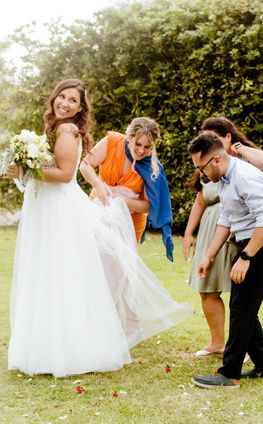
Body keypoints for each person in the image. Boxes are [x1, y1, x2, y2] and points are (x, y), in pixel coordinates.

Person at [4, 79, 192, 378]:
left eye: (73, 100)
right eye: (62, 96)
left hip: (70, 210)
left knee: (79, 271)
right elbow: (78, 169)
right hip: (55, 206)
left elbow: (65, 175)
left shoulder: (67, 130)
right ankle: (52, 342)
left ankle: (99, 335)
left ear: (80, 108)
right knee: (60, 271)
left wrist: (28, 169)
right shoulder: (68, 131)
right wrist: (22, 170)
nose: (65, 103)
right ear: (53, 97)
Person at [187, 132, 263, 389]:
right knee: (244, 304)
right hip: (253, 243)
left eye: (202, 168)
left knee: (242, 306)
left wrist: (246, 257)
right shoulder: (224, 178)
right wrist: (208, 256)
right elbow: (227, 220)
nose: (201, 175)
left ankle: (229, 374)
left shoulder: (245, 177)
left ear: (217, 160)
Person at [183, 117, 263, 359]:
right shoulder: (207, 168)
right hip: (213, 230)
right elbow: (200, 201)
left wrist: (237, 149)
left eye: (214, 137)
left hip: (236, 232)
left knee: (241, 296)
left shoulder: (239, 165)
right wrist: (189, 232)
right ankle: (218, 342)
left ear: (228, 137)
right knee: (207, 287)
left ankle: (241, 347)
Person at [81, 117, 174, 261]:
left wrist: (122, 200)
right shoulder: (112, 142)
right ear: (129, 137)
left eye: (147, 147)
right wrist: (97, 184)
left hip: (129, 222)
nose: (142, 150)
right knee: (92, 261)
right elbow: (85, 165)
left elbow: (149, 206)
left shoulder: (152, 167)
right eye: (138, 144)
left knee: (120, 270)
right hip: (98, 210)